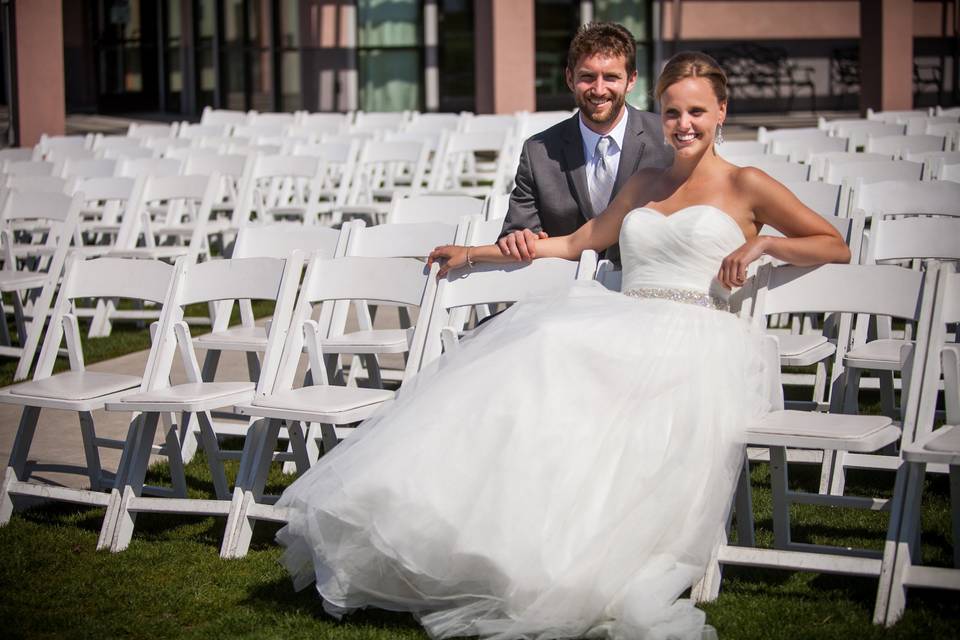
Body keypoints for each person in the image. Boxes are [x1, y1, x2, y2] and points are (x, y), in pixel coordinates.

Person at [275, 51, 850, 640]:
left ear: (721, 112)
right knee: (537, 357)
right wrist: (475, 254)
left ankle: (563, 559)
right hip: (623, 318)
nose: (684, 124)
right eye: (673, 111)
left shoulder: (745, 183)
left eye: (697, 112)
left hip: (697, 337)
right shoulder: (647, 182)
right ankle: (472, 539)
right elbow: (579, 241)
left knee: (572, 378)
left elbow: (833, 243)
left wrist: (764, 248)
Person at [498, 22, 673, 264]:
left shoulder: (668, 139)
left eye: (611, 77)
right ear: (570, 78)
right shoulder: (538, 151)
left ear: (631, 80)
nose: (599, 90)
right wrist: (518, 237)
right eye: (587, 77)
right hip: (565, 291)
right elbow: (516, 232)